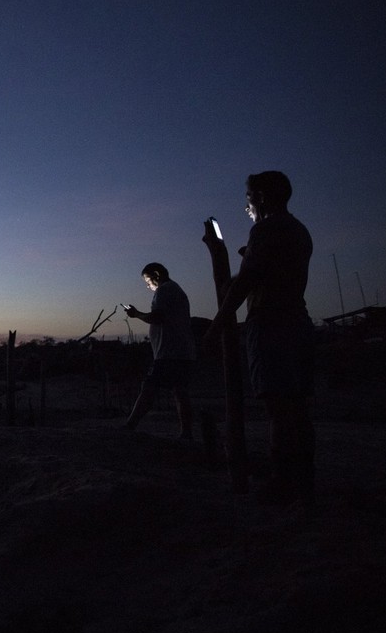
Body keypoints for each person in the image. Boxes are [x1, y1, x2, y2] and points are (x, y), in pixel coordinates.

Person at [206, 170, 314, 506]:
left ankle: (284, 480)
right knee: (295, 404)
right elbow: (265, 270)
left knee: (279, 404)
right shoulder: (297, 230)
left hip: (272, 323)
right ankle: (301, 476)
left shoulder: (266, 229)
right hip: (296, 320)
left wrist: (218, 324)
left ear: (262, 196)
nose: (246, 204)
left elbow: (246, 282)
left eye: (248, 195)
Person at [123, 262, 196, 436]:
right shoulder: (174, 290)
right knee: (180, 391)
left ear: (156, 275)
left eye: (148, 281)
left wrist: (137, 314)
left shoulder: (166, 290)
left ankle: (129, 426)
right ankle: (186, 433)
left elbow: (157, 317)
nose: (148, 286)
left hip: (169, 352)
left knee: (149, 388)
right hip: (180, 351)